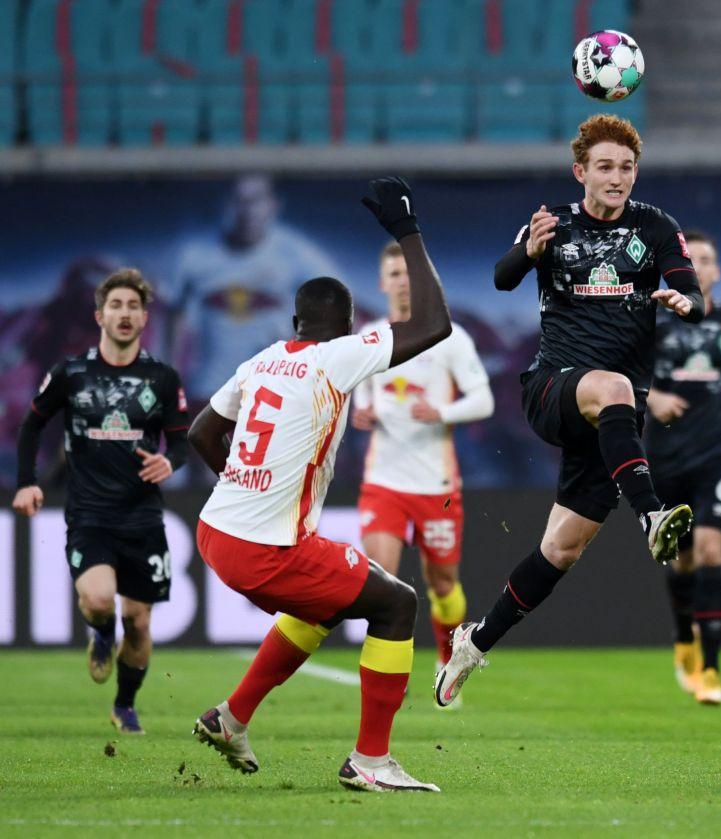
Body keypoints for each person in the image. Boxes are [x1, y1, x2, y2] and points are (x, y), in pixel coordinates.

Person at [187, 177, 452, 793]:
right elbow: (434, 323)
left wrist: (242, 487)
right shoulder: (337, 357)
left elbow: (202, 433)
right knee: (398, 603)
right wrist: (406, 229)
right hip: (265, 546)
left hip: (215, 528)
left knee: (324, 607)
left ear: (295, 320)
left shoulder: (261, 360)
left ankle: (230, 718)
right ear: (349, 328)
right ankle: (370, 760)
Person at [432, 114, 703, 707]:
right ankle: (652, 515)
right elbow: (502, 278)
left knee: (562, 549)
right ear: (580, 171)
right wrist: (527, 250)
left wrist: (685, 299)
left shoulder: (655, 227)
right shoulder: (551, 222)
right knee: (613, 387)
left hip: (612, 424)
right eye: (605, 167)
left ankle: (473, 642)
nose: (618, 177)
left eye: (627, 167)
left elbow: (692, 289)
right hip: (554, 387)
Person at [12, 269, 189, 734]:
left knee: (139, 618)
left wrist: (172, 462)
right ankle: (100, 631)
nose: (125, 314)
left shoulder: (162, 378)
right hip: (89, 514)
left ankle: (125, 705)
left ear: (145, 317)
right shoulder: (70, 374)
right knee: (96, 601)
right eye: (116, 306)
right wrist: (27, 481)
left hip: (143, 516)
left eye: (133, 306)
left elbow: (183, 439)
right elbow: (32, 426)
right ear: (99, 316)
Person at [352, 242, 494, 694]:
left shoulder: (450, 336)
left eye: (410, 273)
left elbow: (484, 399)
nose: (402, 281)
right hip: (384, 482)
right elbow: (358, 392)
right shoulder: (372, 337)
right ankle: (380, 683)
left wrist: (442, 413)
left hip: (436, 486)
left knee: (444, 583)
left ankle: (448, 662)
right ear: (382, 282)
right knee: (381, 581)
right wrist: (362, 411)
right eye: (394, 273)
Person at [646, 230, 721, 706]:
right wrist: (651, 396)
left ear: (717, 271)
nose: (700, 267)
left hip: (717, 448)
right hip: (667, 452)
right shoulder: (650, 320)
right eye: (691, 259)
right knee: (684, 558)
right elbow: (622, 373)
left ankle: (711, 670)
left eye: (707, 259)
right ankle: (683, 636)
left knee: (712, 550)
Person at [169, 174, 339, 401]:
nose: (247, 210)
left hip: (272, 395)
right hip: (208, 393)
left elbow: (337, 305)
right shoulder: (196, 255)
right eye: (239, 200)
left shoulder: (294, 253)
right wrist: (171, 374)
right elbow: (174, 317)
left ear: (274, 204)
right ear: (225, 204)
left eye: (256, 200)